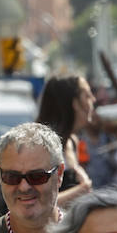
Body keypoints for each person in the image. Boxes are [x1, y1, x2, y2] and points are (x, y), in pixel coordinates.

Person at [36, 75, 95, 205]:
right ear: (74, 103)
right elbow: (36, 204)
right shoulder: (41, 147)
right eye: (87, 95)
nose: (93, 99)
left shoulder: (72, 141)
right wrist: (82, 188)